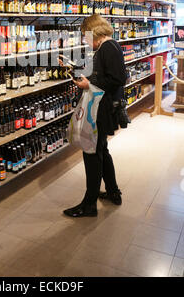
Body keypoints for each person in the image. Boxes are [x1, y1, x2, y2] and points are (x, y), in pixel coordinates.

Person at [62, 14, 128, 218]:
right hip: (104, 107)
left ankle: (89, 205)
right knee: (102, 150)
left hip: (101, 109)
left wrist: (88, 84)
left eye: (85, 35)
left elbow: (117, 79)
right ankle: (113, 192)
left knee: (91, 153)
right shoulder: (109, 46)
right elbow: (106, 75)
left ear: (95, 32)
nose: (84, 40)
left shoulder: (108, 48)